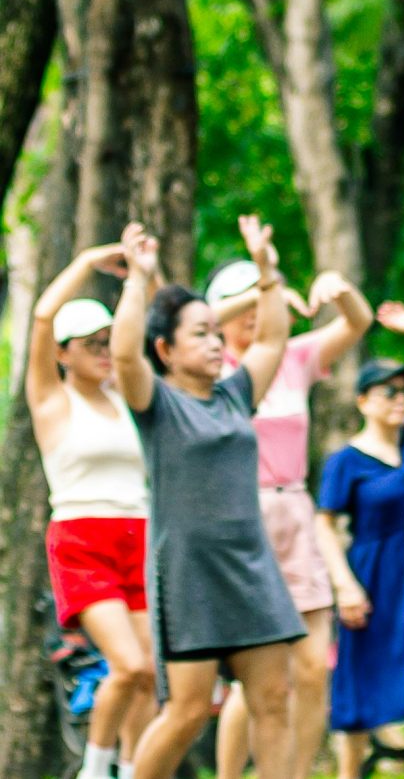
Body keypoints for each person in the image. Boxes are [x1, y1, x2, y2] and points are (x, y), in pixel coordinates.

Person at [110, 217, 306, 779]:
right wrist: (137, 278)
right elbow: (126, 358)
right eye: (200, 333)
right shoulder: (157, 405)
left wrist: (267, 272)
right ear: (165, 349)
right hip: (189, 573)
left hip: (250, 567)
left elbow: (272, 338)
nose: (217, 342)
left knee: (273, 699)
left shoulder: (235, 395)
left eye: (216, 333)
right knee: (189, 711)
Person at [207, 260, 373, 779]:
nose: (255, 316)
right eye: (246, 307)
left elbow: (357, 323)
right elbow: (205, 318)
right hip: (241, 517)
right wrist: (267, 284)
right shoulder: (215, 367)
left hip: (294, 512)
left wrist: (339, 288)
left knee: (310, 670)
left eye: (261, 307)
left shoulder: (295, 356)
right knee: (252, 677)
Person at [27, 242, 156, 779]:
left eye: (108, 341)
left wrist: (139, 276)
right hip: (82, 540)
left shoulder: (128, 396)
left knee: (150, 672)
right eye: (91, 344)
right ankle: (95, 768)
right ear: (63, 352)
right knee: (126, 666)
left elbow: (148, 321)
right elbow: (41, 316)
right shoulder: (53, 400)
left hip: (141, 535)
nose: (105, 351)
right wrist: (84, 262)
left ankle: (132, 767)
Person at [314, 358, 404, 779]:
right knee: (358, 679)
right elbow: (324, 524)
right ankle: (348, 772)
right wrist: (345, 586)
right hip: (372, 575)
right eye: (388, 392)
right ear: (362, 401)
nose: (401, 400)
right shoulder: (347, 460)